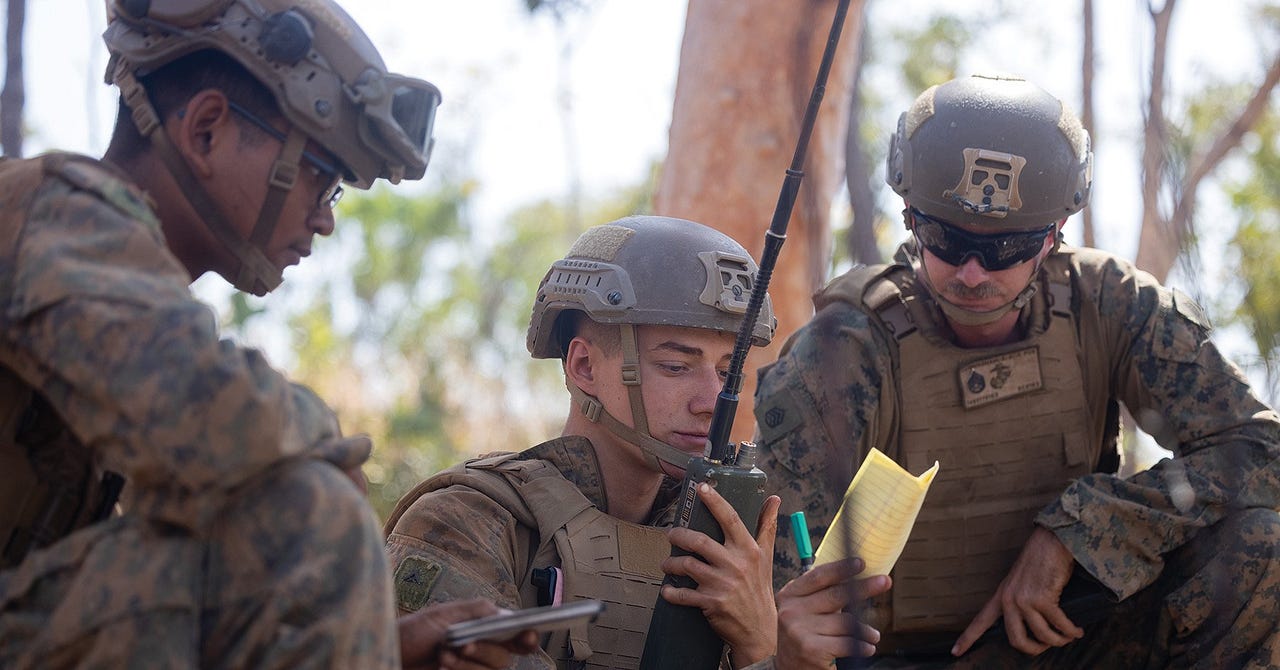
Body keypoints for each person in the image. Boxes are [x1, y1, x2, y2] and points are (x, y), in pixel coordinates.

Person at [0, 1, 532, 668]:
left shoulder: (112, 273)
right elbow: (222, 425)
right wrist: (325, 451)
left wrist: (373, 649)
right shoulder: (54, 211)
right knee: (306, 517)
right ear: (206, 131)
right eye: (319, 174)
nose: (324, 218)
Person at [754, 73, 1280, 668]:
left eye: (1006, 248)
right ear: (910, 219)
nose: (972, 273)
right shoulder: (842, 351)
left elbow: (1261, 452)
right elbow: (776, 572)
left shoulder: (1110, 303)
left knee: (1260, 548)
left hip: (1068, 642)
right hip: (893, 659)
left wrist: (1082, 526)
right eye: (945, 239)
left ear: (1053, 237)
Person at [385, 215, 890, 669]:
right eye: (675, 366)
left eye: (725, 373)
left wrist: (763, 644)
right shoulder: (466, 524)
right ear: (585, 367)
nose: (711, 402)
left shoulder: (732, 546)